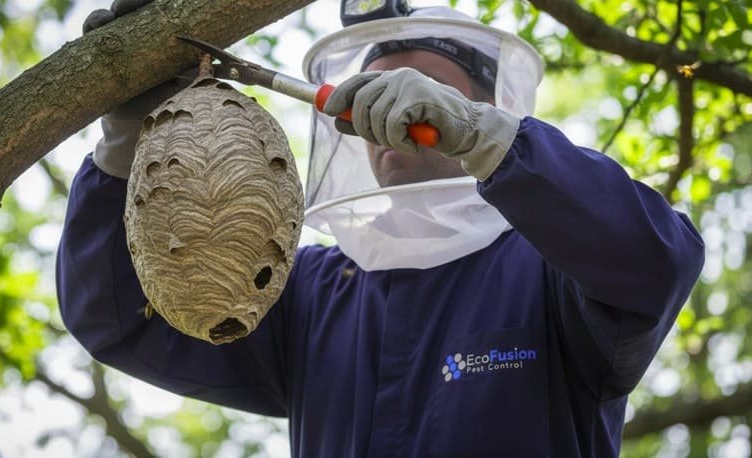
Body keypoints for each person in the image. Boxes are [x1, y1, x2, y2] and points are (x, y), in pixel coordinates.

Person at [57, 1, 705, 456]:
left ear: (481, 107)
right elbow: (121, 320)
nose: (380, 111)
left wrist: (497, 145)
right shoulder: (309, 290)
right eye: (371, 89)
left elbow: (656, 262)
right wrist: (122, 144)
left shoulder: (550, 268)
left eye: (415, 86)